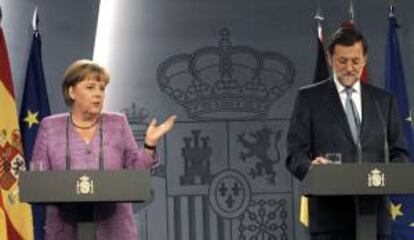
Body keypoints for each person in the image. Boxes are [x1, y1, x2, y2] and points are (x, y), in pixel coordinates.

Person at [31, 59, 176, 240]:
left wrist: (149, 145)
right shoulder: (50, 126)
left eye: (102, 88)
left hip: (114, 230)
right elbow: (37, 179)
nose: (98, 94)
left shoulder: (118, 123)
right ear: (72, 92)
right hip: (65, 231)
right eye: (91, 87)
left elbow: (135, 173)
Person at [285, 26, 408, 239]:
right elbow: (295, 155)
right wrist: (313, 169)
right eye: (342, 61)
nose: (349, 68)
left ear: (365, 60)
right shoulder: (309, 99)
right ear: (330, 58)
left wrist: (389, 175)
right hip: (330, 221)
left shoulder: (383, 100)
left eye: (355, 61)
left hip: (375, 220)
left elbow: (400, 153)